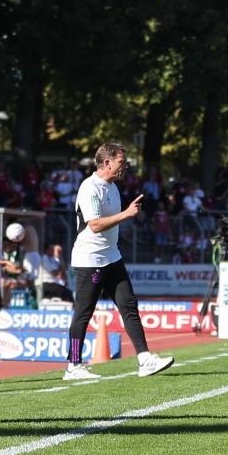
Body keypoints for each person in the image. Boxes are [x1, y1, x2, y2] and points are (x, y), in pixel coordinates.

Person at [64, 142, 174, 380]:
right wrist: (126, 214)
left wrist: (123, 218)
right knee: (84, 312)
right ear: (107, 162)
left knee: (129, 305)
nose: (125, 167)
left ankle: (145, 359)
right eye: (122, 162)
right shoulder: (89, 188)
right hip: (89, 260)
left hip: (112, 256)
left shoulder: (113, 187)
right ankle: (73, 365)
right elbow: (94, 225)